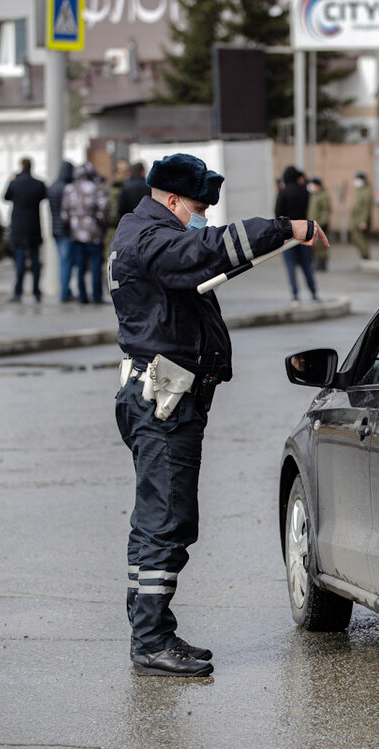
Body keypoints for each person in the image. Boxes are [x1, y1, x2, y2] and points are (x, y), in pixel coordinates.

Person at [109, 152, 328, 677]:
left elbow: (210, 264)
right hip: (164, 402)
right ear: (173, 199)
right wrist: (285, 227)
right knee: (163, 523)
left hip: (168, 397)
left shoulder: (146, 231)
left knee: (166, 520)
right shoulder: (154, 238)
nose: (202, 215)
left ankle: (155, 633)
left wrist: (274, 242)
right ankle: (150, 642)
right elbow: (208, 249)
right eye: (198, 207)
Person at [61, 163, 110, 304]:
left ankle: (82, 295)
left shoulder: (70, 189)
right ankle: (96, 296)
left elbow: (64, 213)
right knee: (95, 264)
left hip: (76, 233)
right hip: (94, 233)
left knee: (80, 265)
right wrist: (102, 225)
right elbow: (104, 209)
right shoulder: (96, 188)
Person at [3, 157, 48, 303]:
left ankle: (18, 292)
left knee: (20, 262)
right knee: (35, 262)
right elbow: (44, 196)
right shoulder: (38, 184)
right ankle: (36, 291)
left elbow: (5, 196)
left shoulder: (15, 183)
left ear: (21, 166)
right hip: (34, 227)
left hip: (19, 228)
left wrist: (12, 179)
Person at [275, 165, 318, 304]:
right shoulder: (304, 190)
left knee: (290, 265)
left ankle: (295, 295)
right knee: (307, 264)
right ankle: (313, 293)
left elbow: (277, 213)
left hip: (288, 234)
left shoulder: (283, 192)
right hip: (303, 232)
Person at [48, 161, 77, 302]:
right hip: (67, 231)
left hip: (55, 229)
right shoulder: (68, 188)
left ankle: (66, 290)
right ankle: (65, 292)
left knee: (63, 261)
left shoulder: (52, 187)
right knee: (66, 263)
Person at [307, 176, 331, 273]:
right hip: (313, 224)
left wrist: (323, 223)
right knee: (315, 245)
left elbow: (325, 211)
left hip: (320, 224)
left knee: (321, 246)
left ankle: (322, 264)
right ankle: (316, 263)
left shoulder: (322, 196)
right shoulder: (313, 195)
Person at [350, 171, 373, 260]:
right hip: (356, 219)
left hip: (361, 219)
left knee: (360, 238)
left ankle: (365, 256)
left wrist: (363, 221)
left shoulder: (366, 191)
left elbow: (365, 207)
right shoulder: (360, 190)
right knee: (357, 238)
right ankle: (364, 255)